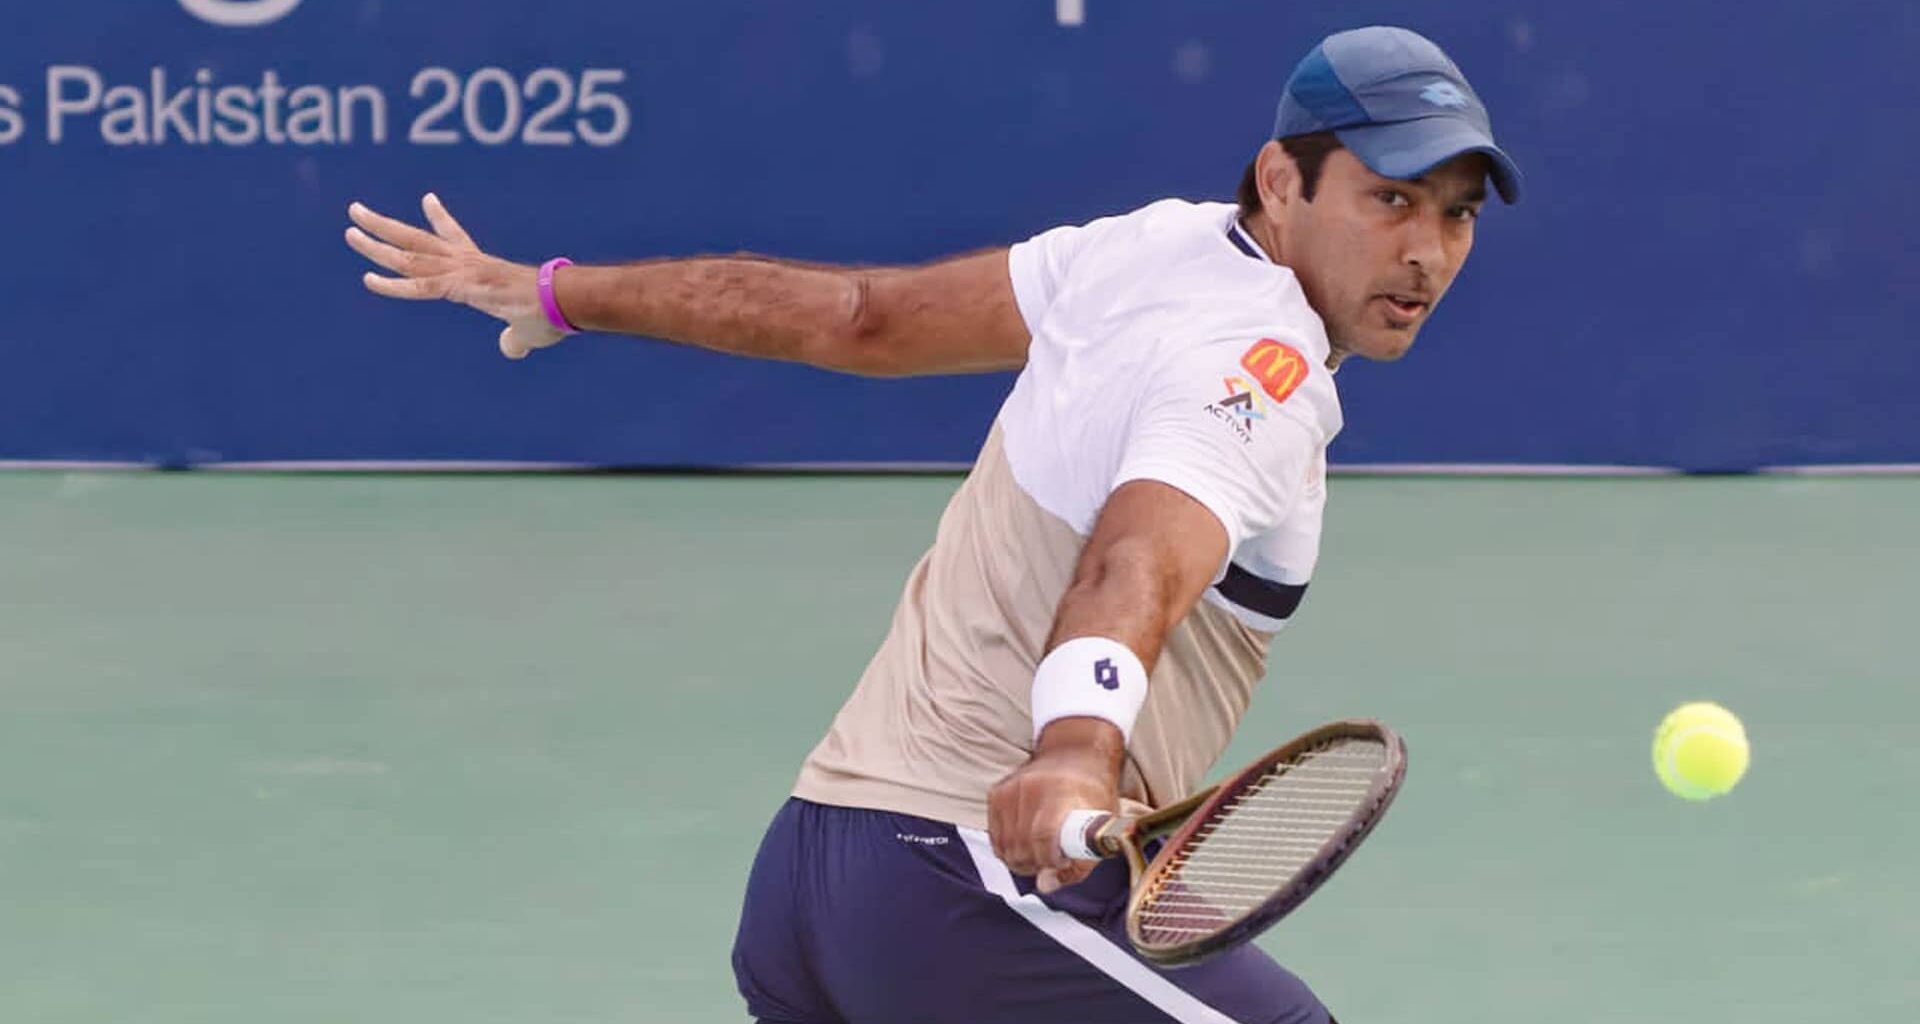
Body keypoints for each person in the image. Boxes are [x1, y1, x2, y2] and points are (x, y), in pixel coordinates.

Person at [344, 24, 1520, 1024]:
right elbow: (1136, 562)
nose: (1425, 251)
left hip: (812, 878)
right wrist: (1073, 749)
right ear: (1280, 180)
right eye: (1389, 199)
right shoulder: (1259, 376)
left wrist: (561, 293)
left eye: (1455, 215)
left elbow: (857, 318)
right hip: (967, 892)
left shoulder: (1140, 250)